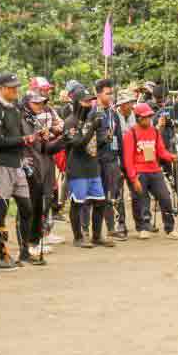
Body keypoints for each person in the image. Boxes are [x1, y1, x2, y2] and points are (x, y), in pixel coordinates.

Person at [0, 72, 40, 267]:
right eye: (11, 88)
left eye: (16, 87)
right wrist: (23, 140)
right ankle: (2, 253)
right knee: (0, 211)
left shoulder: (17, 109)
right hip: (1, 165)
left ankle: (24, 251)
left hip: (17, 164)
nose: (15, 91)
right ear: (0, 88)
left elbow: (18, 134)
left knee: (26, 208)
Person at [124, 102, 178, 239]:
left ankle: (170, 229)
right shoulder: (130, 134)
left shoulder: (155, 132)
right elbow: (128, 159)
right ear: (138, 118)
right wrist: (133, 179)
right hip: (140, 172)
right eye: (145, 117)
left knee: (165, 198)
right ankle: (142, 227)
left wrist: (171, 157)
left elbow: (161, 151)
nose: (149, 119)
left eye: (150, 117)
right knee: (141, 200)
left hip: (155, 170)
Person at [62, 85, 107, 248]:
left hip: (92, 167)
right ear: (76, 103)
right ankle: (78, 237)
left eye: (90, 101)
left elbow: (97, 143)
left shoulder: (91, 119)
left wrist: (104, 135)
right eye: (85, 102)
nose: (89, 104)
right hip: (77, 168)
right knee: (78, 203)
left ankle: (96, 236)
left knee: (100, 201)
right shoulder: (70, 122)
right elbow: (78, 144)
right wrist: (92, 129)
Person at [23, 89, 65, 259]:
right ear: (26, 103)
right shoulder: (22, 118)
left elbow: (44, 146)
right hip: (26, 165)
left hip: (40, 162)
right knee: (27, 206)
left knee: (43, 199)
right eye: (35, 102)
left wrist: (63, 139)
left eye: (41, 102)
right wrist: (34, 137)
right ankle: (28, 242)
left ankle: (37, 238)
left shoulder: (36, 118)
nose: (39, 106)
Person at [94, 79, 130, 240]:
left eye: (111, 93)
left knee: (115, 194)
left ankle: (115, 226)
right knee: (97, 196)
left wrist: (122, 162)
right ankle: (92, 231)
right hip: (96, 160)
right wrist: (103, 139)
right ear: (98, 94)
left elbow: (119, 139)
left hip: (112, 160)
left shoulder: (113, 114)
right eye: (107, 93)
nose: (110, 96)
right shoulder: (92, 112)